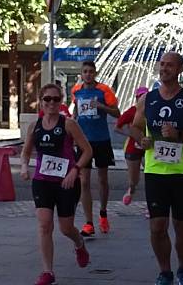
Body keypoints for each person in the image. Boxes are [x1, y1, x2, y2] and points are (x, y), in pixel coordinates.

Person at [131, 52, 183, 285]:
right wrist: (140, 140)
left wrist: (180, 135)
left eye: (169, 65)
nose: (164, 68)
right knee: (157, 226)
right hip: (155, 171)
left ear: (179, 70)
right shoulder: (148, 99)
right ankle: (165, 271)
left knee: (182, 225)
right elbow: (134, 126)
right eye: (162, 64)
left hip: (182, 173)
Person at [21, 83, 92, 285]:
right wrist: (25, 167)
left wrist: (75, 170)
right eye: (47, 99)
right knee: (44, 225)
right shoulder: (34, 126)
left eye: (56, 99)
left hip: (66, 182)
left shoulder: (69, 124)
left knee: (66, 228)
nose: (51, 103)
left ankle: (79, 244)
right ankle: (48, 272)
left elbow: (87, 151)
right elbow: (26, 152)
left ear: (61, 102)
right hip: (42, 181)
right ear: (41, 101)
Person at [71, 60, 120, 237]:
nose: (88, 74)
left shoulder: (104, 90)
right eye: (85, 71)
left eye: (91, 71)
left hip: (101, 139)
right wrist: (72, 125)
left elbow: (117, 113)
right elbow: (76, 111)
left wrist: (101, 107)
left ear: (95, 73)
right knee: (83, 181)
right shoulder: (76, 90)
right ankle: (88, 222)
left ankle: (103, 213)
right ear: (81, 74)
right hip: (84, 142)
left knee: (102, 179)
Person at [114, 86, 149, 206]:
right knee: (134, 179)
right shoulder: (132, 111)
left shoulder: (153, 111)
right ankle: (131, 190)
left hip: (149, 148)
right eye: (140, 97)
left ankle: (152, 204)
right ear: (136, 98)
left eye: (145, 96)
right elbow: (117, 127)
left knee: (151, 176)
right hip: (132, 148)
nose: (143, 99)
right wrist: (130, 133)